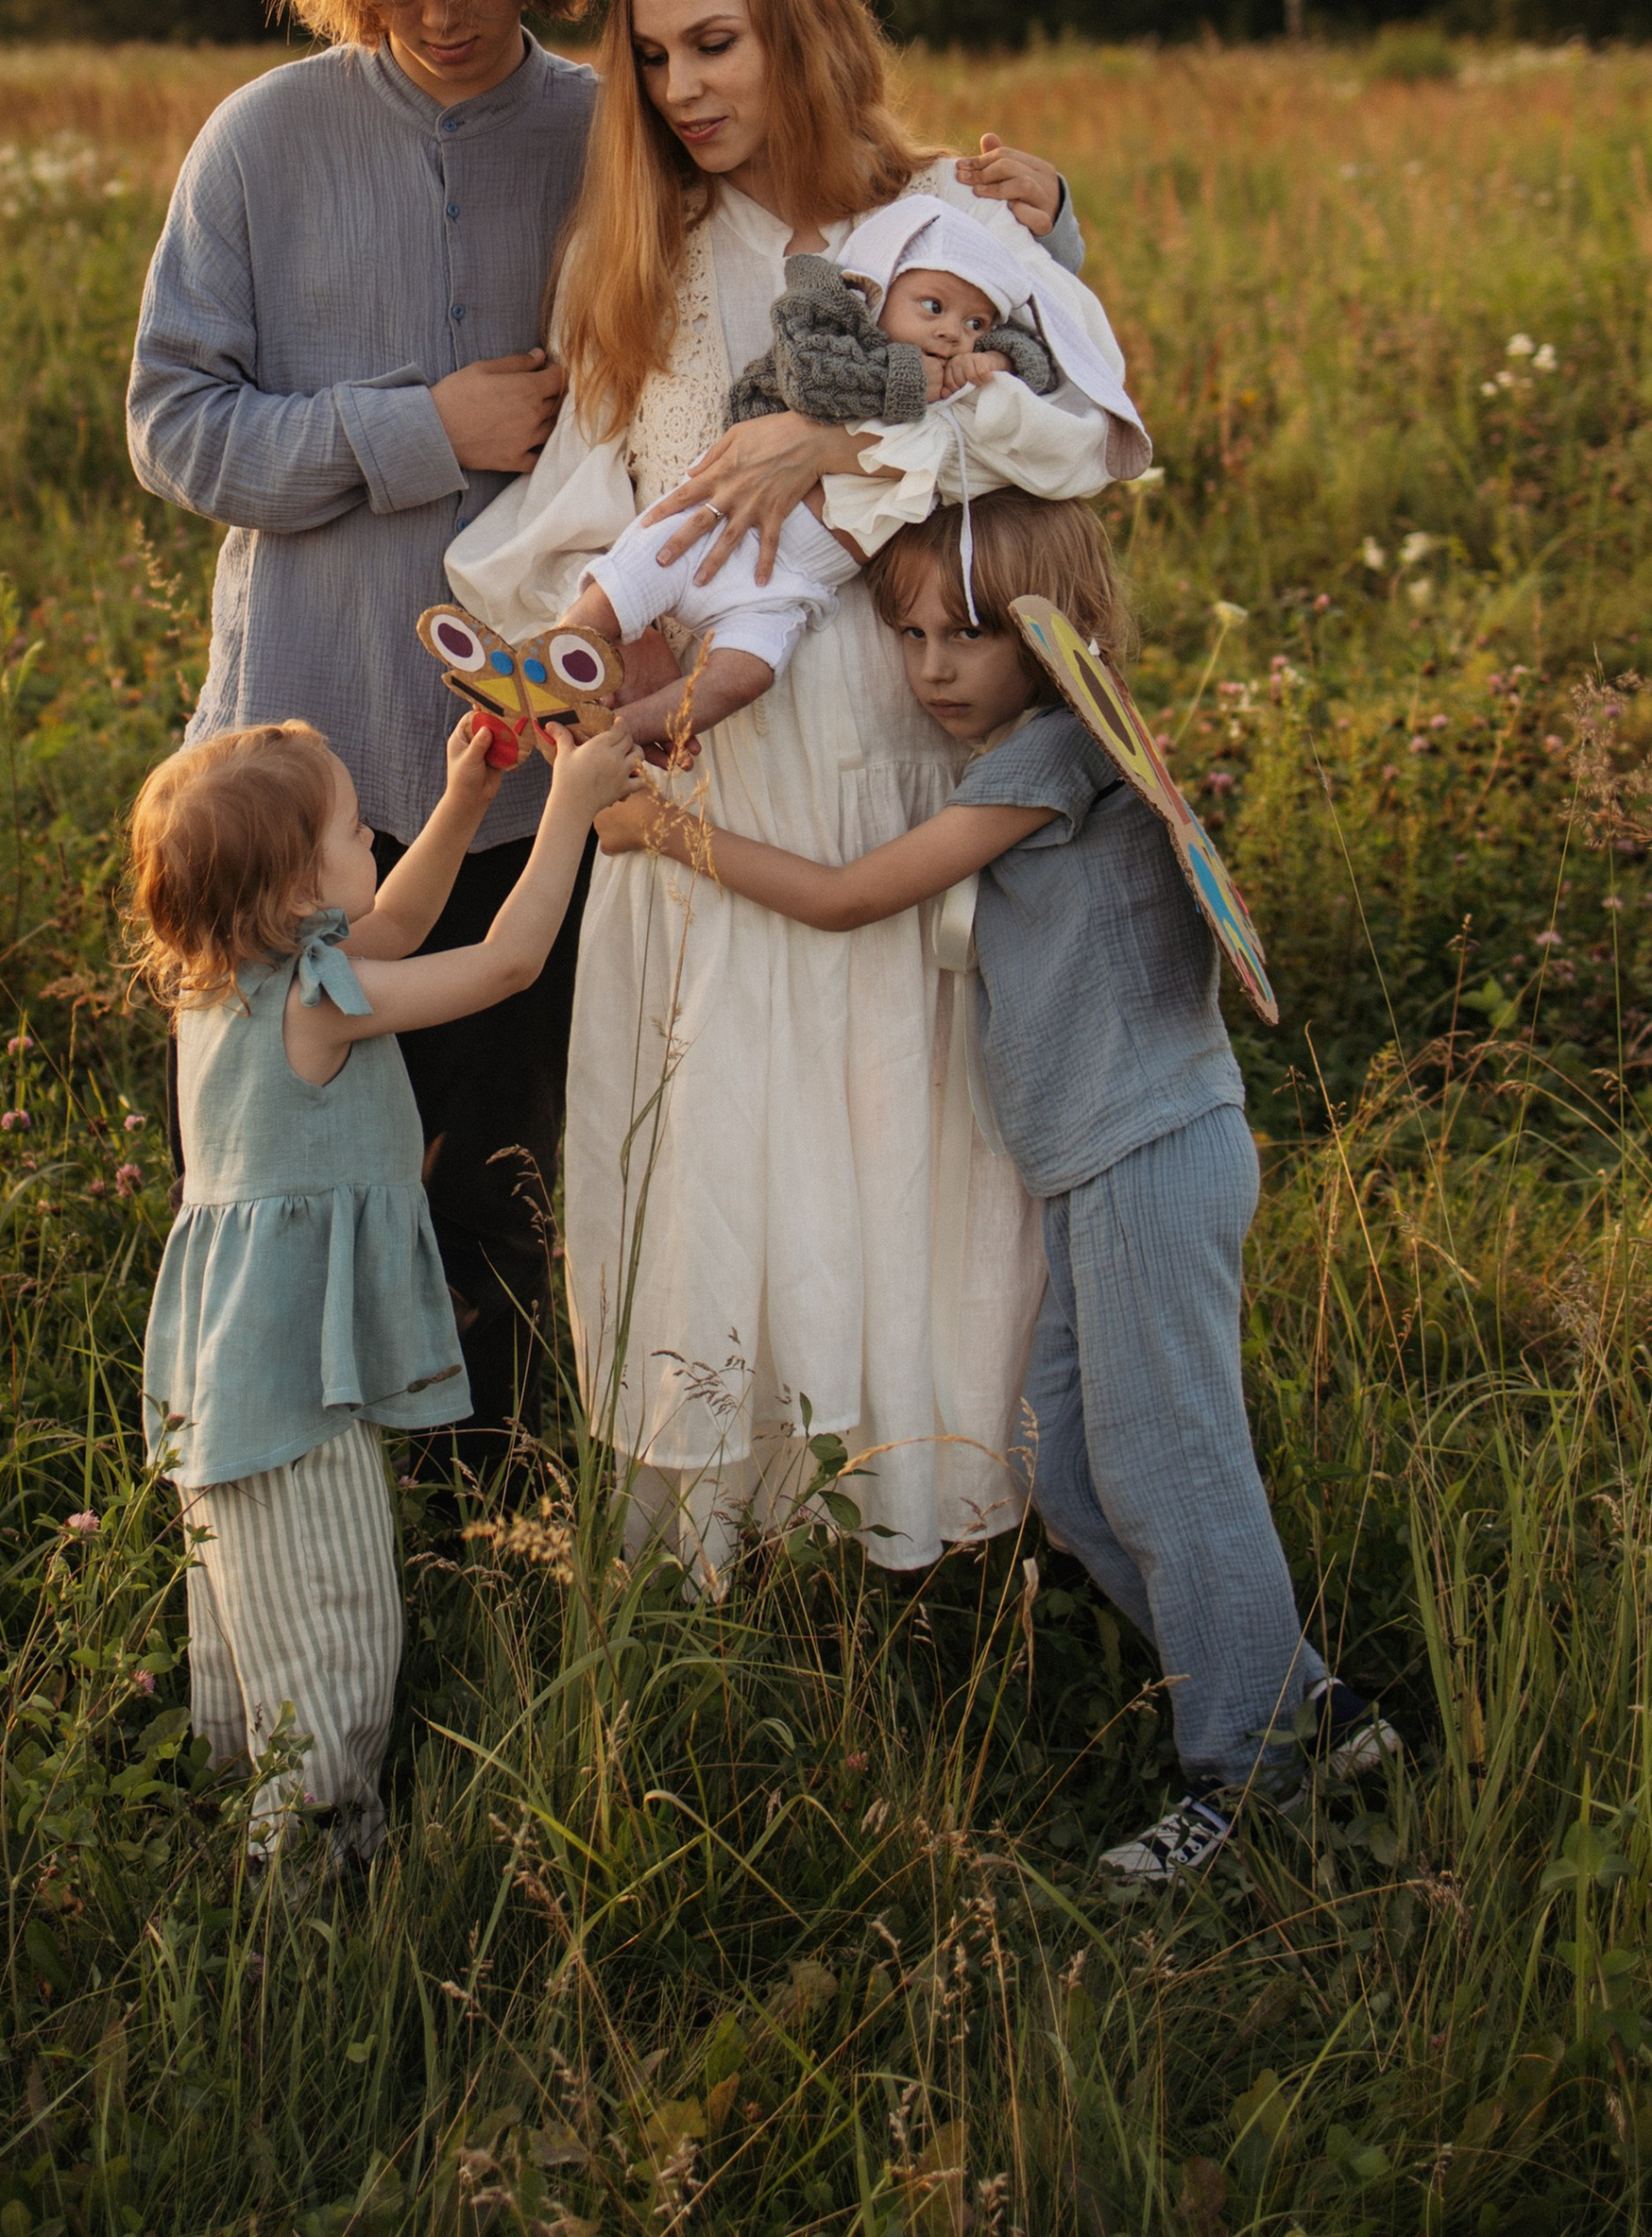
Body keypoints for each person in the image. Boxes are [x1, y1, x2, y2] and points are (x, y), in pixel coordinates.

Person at [444, 0, 1099, 1581]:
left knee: (897, 1110)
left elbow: (1081, 433)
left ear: (799, 23)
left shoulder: (936, 227)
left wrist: (849, 446)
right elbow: (608, 497)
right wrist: (579, 654)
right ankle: (737, 1532)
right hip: (707, 749)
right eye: (654, 60)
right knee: (726, 1113)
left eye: (717, 43)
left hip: (881, 717)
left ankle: (930, 1511)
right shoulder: (641, 247)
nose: (687, 93)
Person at [596, 489, 1400, 1883]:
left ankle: (1253, 1770)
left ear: (1049, 632)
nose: (932, 669)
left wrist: (677, 833)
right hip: (1100, 1163)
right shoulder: (1036, 747)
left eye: (968, 634)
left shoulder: (1055, 760)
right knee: (1075, 1461)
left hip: (1147, 1151)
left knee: (1171, 1461)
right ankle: (1303, 1706)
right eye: (907, 634)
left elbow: (857, 896)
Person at [126, 0, 615, 1461]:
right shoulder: (261, 141)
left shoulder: (607, 139)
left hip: (526, 788)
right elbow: (173, 427)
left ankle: (490, 1529)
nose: (445, 6)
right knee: (275, 1179)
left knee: (501, 1199)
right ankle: (278, 1509)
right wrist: (425, 430)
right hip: (298, 793)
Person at [128, 704, 637, 1865]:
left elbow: (397, 920)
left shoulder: (229, 982)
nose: (379, 845)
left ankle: (226, 1787)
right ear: (298, 897)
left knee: (248, 1595)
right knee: (333, 1606)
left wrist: (464, 796)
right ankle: (313, 1858)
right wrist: (566, 805)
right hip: (295, 1382)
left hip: (234, 1361)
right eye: (360, 830)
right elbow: (506, 963)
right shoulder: (316, 1002)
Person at [563, 199, 1141, 752]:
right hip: (705, 531)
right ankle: (539, 674)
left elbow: (1040, 380)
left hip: (786, 588)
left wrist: (999, 360)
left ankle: (615, 732)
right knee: (611, 598)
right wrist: (920, 379)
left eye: (974, 323)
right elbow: (818, 379)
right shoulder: (834, 345)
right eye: (932, 307)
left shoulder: (952, 409)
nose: (951, 333)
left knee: (742, 678)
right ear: (876, 294)